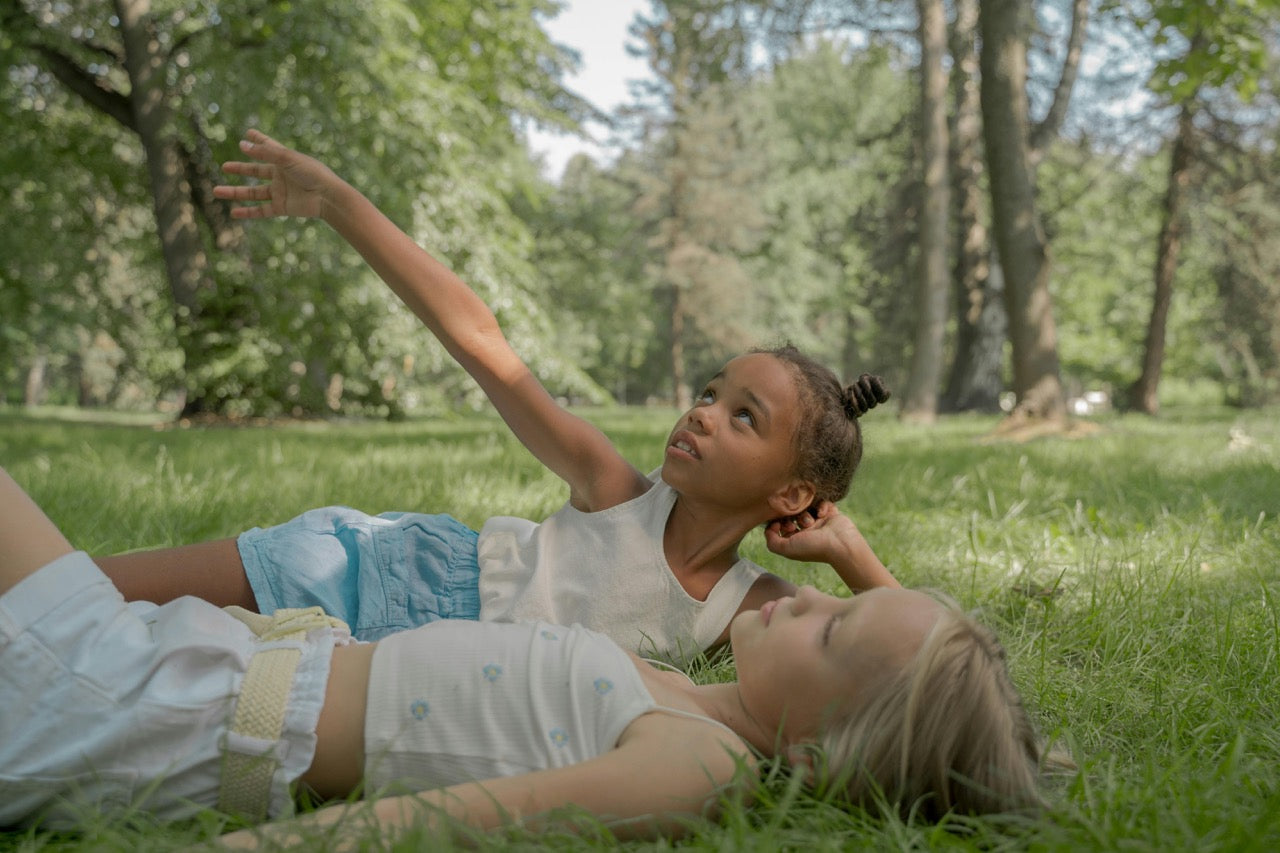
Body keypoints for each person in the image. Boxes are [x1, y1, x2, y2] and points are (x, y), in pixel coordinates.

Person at [97, 129, 897, 664]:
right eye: (711, 392)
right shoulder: (612, 489)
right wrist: (337, 202)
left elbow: (924, 651)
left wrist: (850, 556)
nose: (701, 411)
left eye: (743, 416)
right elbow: (482, 342)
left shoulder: (745, 610)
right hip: (378, 574)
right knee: (82, 594)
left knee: (124, 660)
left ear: (793, 491)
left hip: (406, 684)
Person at [0, 467, 1046, 841]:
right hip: (197, 662)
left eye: (830, 628)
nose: (802, 603)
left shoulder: (698, 758)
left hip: (159, 708)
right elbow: (908, 674)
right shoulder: (679, 687)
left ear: (821, 755)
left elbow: (450, 822)